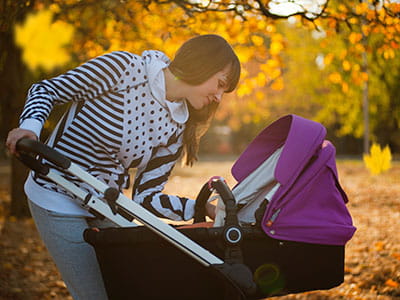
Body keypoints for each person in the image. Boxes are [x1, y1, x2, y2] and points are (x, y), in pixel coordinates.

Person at [6, 34, 241, 299]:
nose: (219, 97)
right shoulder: (124, 69)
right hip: (56, 191)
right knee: (95, 295)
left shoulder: (177, 126)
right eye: (220, 84)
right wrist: (30, 127)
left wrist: (203, 208)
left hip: (104, 204)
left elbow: (147, 199)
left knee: (127, 289)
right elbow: (47, 90)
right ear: (202, 64)